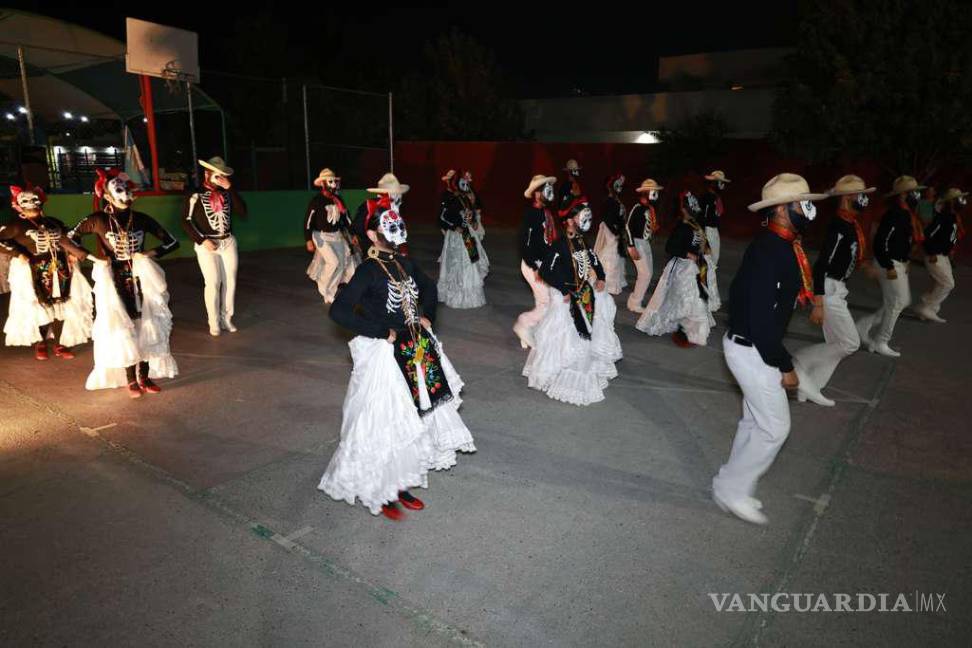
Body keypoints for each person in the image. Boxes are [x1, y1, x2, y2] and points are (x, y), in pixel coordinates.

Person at [318, 194, 475, 521]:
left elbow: (429, 289)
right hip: (386, 357)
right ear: (373, 234)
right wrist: (380, 331)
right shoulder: (368, 271)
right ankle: (381, 488)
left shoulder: (406, 263)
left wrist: (426, 316)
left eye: (397, 222)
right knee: (384, 422)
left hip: (415, 351)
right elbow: (340, 310)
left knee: (411, 420)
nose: (396, 227)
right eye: (386, 224)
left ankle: (400, 482)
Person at [712, 173, 827, 525]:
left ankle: (729, 484)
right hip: (753, 349)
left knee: (754, 422)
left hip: (754, 346)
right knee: (774, 428)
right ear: (781, 210)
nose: (810, 210)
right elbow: (761, 319)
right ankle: (732, 490)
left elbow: (753, 302)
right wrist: (784, 365)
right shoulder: (769, 250)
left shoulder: (783, 243)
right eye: (803, 204)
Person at [69, 169, 180, 398]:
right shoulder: (98, 219)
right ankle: (131, 380)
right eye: (119, 190)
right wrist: (92, 258)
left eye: (128, 189)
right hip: (114, 279)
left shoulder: (141, 219)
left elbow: (172, 242)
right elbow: (68, 238)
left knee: (147, 324)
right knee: (124, 326)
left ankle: (145, 376)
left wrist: (150, 253)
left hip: (142, 277)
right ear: (107, 196)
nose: (126, 194)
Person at [522, 197, 622, 405]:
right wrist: (562, 288)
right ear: (569, 220)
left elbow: (593, 259)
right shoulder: (559, 245)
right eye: (578, 215)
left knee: (590, 328)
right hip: (566, 295)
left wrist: (601, 277)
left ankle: (583, 365)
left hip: (583, 293)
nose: (583, 218)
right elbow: (546, 270)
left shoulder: (583, 242)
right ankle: (560, 371)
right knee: (565, 334)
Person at [792, 175, 875, 407]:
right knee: (849, 343)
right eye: (861, 195)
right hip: (828, 289)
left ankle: (811, 387)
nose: (864, 199)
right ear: (848, 197)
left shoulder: (850, 224)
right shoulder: (839, 226)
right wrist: (818, 303)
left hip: (838, 288)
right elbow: (821, 266)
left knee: (837, 345)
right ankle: (799, 362)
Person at [1, 184, 92, 359]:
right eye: (26, 203)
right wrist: (18, 253)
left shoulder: (53, 222)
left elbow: (72, 235)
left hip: (58, 268)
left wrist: (72, 253)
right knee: (38, 305)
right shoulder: (15, 225)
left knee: (60, 303)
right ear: (19, 205)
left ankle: (59, 343)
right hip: (31, 270)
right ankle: (40, 342)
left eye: (35, 202)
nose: (32, 206)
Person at [635, 190, 718, 347]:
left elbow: (702, 244)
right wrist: (688, 254)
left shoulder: (695, 224)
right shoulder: (683, 227)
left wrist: (704, 257)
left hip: (696, 267)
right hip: (684, 267)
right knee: (685, 299)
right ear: (685, 209)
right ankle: (684, 331)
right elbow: (670, 247)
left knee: (694, 299)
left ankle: (690, 330)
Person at [855, 175, 926, 357]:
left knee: (897, 302)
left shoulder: (905, 213)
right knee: (898, 302)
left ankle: (865, 326)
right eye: (913, 192)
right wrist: (889, 266)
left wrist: (906, 259)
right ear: (903, 195)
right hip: (889, 263)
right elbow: (881, 242)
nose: (917, 195)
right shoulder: (895, 214)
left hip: (898, 262)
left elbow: (902, 241)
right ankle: (881, 341)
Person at [183, 157, 247, 336]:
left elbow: (242, 212)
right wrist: (201, 239)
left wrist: (230, 188)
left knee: (231, 282)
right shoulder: (194, 195)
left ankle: (227, 317)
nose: (220, 178)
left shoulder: (227, 193)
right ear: (207, 173)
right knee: (212, 282)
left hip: (227, 242)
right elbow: (186, 221)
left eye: (223, 176)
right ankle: (213, 321)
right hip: (206, 244)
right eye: (217, 175)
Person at [513, 174, 557, 349]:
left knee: (542, 300)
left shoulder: (545, 212)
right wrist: (534, 267)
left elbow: (548, 240)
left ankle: (532, 333)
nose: (549, 191)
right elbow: (523, 243)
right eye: (545, 188)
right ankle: (523, 324)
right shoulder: (531, 214)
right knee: (547, 301)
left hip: (542, 263)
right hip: (532, 264)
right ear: (537, 193)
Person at [304, 168, 357, 304]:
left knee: (340, 265)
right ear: (323, 183)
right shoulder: (316, 201)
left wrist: (352, 234)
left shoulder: (338, 200)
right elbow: (308, 221)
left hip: (336, 235)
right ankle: (322, 283)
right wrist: (308, 239)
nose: (334, 184)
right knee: (333, 262)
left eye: (335, 181)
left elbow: (346, 218)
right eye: (330, 181)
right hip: (320, 236)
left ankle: (330, 292)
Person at [914, 187, 965, 323]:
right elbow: (927, 235)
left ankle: (926, 309)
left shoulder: (953, 217)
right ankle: (927, 306)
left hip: (943, 254)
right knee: (948, 283)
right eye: (958, 199)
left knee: (942, 282)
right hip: (935, 255)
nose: (962, 201)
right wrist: (931, 252)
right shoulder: (943, 217)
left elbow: (952, 236)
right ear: (951, 202)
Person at [436, 170, 486, 308]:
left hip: (467, 234)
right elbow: (441, 218)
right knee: (457, 265)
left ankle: (470, 295)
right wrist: (453, 227)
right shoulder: (450, 198)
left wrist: (474, 221)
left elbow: (472, 212)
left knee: (471, 261)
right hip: (456, 238)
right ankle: (455, 294)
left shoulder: (465, 198)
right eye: (461, 183)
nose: (465, 186)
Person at [624, 178, 663, 313]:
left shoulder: (650, 208)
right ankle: (634, 303)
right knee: (645, 274)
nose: (655, 195)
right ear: (646, 192)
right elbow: (627, 227)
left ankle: (635, 300)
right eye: (653, 192)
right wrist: (631, 246)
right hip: (636, 243)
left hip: (645, 243)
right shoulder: (638, 208)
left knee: (648, 273)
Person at [593, 173, 628, 295]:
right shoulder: (609, 201)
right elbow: (607, 219)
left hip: (615, 231)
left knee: (615, 256)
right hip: (610, 232)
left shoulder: (615, 200)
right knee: (610, 255)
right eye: (617, 185)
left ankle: (613, 282)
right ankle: (607, 283)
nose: (620, 187)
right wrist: (615, 232)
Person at [698, 170, 731, 269]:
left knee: (714, 258)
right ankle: (705, 280)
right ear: (714, 183)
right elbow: (702, 216)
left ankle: (709, 279)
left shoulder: (716, 197)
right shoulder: (707, 198)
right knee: (708, 258)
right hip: (707, 229)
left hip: (714, 229)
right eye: (720, 182)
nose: (722, 185)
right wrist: (703, 233)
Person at [459, 170, 489, 276]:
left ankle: (473, 271)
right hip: (462, 228)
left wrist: (474, 220)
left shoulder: (470, 193)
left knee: (473, 251)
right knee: (464, 252)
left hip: (468, 227)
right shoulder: (458, 197)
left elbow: (474, 208)